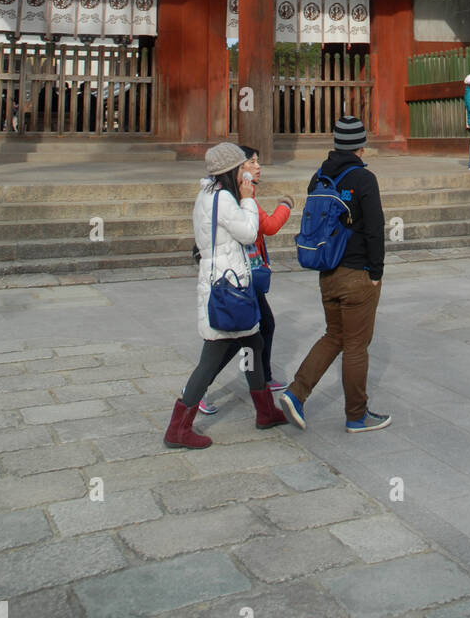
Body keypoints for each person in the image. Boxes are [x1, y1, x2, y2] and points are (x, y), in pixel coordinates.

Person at [280, 115, 390, 434]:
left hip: (326, 272)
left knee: (334, 336)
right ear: (361, 145)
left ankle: (296, 393)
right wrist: (376, 271)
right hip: (357, 273)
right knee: (356, 345)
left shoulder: (318, 177)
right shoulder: (363, 179)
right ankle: (357, 415)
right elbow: (375, 228)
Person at [163, 142, 276, 450]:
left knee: (254, 341)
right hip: (229, 287)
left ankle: (265, 412)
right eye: (243, 167)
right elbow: (249, 233)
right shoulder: (225, 199)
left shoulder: (207, 194)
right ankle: (178, 427)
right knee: (211, 359)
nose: (247, 172)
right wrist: (249, 200)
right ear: (231, 170)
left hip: (221, 281)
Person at [238, 144, 294, 417]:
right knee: (234, 339)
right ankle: (197, 393)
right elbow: (269, 226)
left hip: (246, 273)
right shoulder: (241, 197)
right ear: (239, 168)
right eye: (251, 162)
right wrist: (286, 205)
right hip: (241, 275)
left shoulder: (245, 194)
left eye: (258, 161)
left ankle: (263, 380)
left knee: (261, 327)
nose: (258, 166)